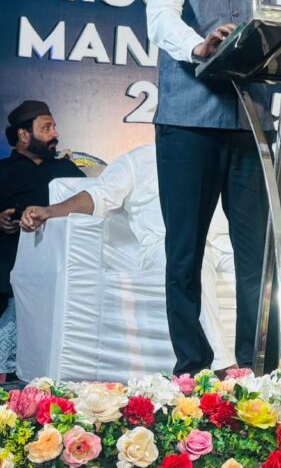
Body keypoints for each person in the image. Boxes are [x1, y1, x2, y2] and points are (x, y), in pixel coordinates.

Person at [146, 0, 281, 374]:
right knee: (185, 251)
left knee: (256, 254)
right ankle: (192, 367)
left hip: (251, 127)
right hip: (188, 125)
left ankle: (256, 365)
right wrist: (199, 45)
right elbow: (162, 20)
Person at [19, 144, 236, 369]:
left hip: (225, 243)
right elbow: (98, 195)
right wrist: (51, 210)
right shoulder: (138, 159)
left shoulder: (217, 154)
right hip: (167, 243)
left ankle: (258, 363)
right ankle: (223, 367)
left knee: (257, 273)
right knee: (193, 266)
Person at [0, 101, 84, 378]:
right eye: (46, 128)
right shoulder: (3, 170)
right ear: (24, 134)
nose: (55, 134)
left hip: (58, 274)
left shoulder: (67, 170)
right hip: (9, 274)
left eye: (54, 127)